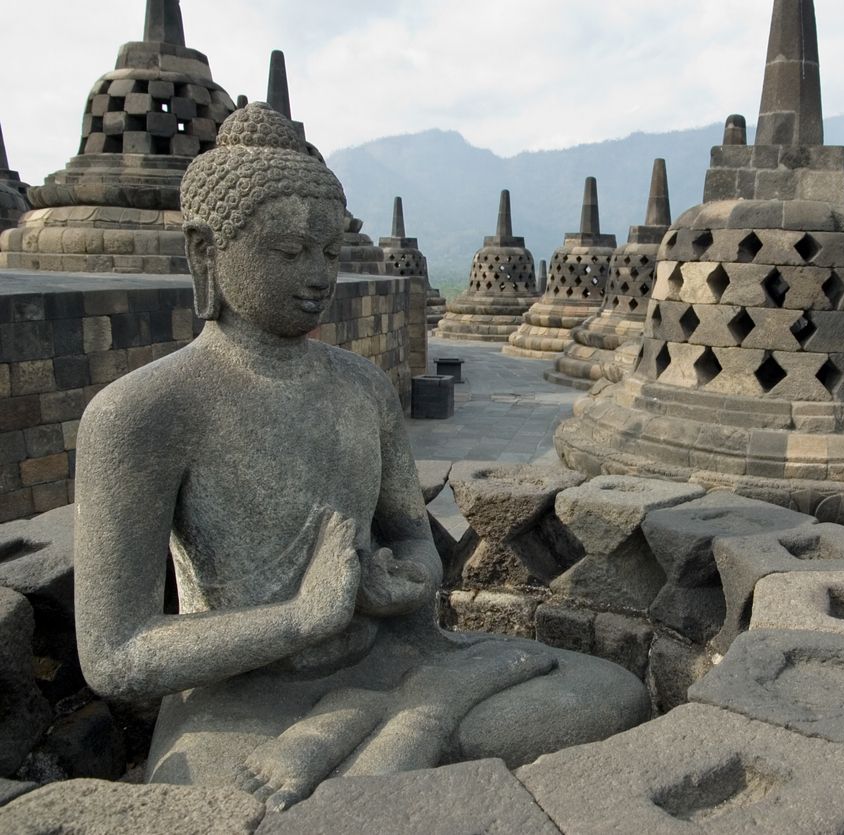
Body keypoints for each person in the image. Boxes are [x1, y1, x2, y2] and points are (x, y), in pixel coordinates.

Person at [73, 103, 649, 812]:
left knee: (609, 694)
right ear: (204, 252)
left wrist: (406, 580)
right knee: (252, 808)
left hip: (389, 656)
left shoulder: (364, 387)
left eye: (330, 253)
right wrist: (298, 621)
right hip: (241, 706)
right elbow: (115, 652)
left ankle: (413, 709)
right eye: (289, 252)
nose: (319, 276)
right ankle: (414, 720)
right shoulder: (143, 413)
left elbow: (410, 535)